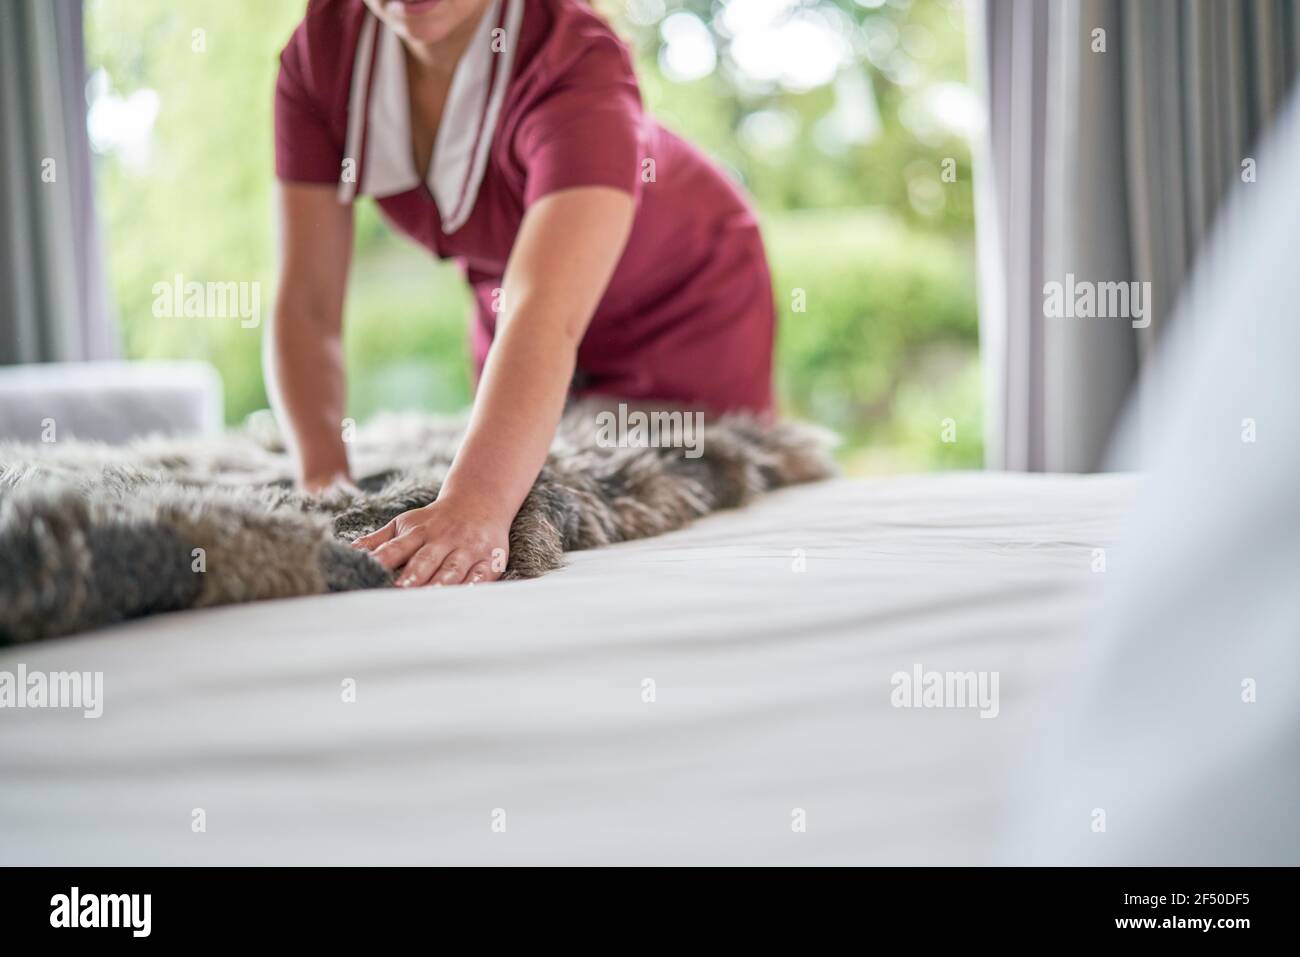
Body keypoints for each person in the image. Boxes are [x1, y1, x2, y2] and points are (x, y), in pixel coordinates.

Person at [267, 0, 776, 587]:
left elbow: (548, 315)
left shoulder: (574, 56)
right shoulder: (320, 57)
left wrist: (477, 502)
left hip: (684, 295)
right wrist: (324, 487)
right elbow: (306, 303)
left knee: (701, 495)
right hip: (513, 302)